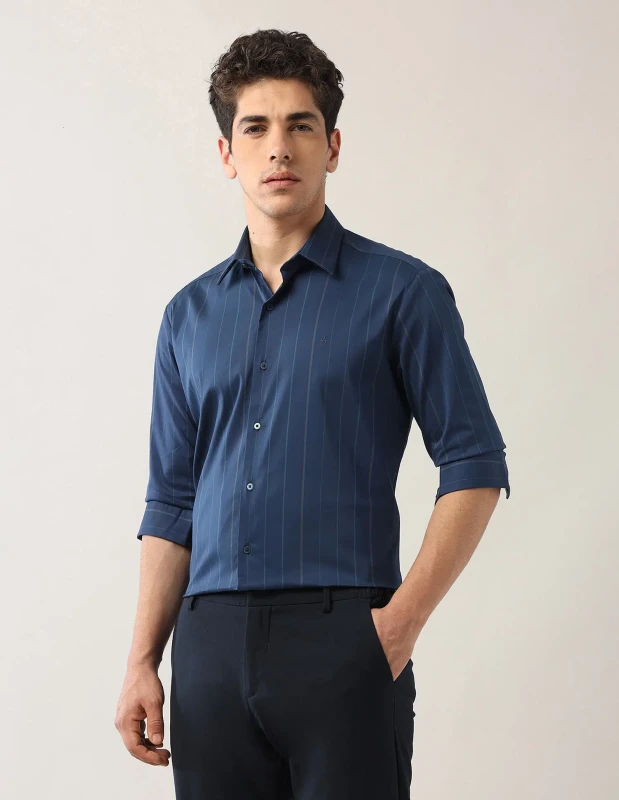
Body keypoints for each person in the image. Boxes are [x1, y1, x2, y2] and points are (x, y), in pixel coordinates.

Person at [114, 27, 511, 800]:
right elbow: (171, 501)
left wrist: (397, 626)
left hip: (346, 637)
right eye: (254, 128)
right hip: (208, 647)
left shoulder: (403, 293)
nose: (277, 148)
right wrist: (141, 659)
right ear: (226, 153)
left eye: (299, 125)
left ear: (331, 146)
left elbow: (474, 465)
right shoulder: (187, 316)